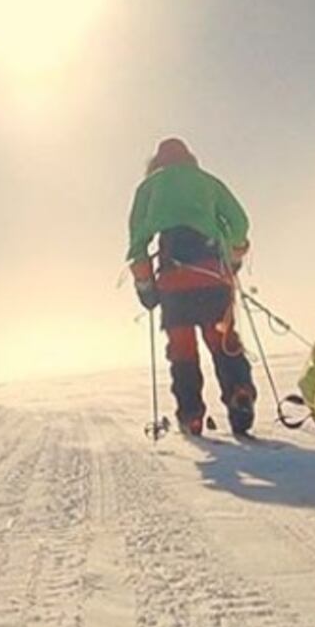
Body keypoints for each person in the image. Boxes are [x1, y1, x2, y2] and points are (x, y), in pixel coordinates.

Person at [126, 136, 256, 435]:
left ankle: (192, 415)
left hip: (174, 282)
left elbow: (137, 242)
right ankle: (240, 392)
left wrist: (145, 284)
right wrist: (234, 255)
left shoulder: (149, 188)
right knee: (223, 340)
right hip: (212, 276)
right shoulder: (208, 183)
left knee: (182, 349)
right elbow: (239, 223)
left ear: (156, 164)